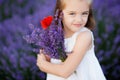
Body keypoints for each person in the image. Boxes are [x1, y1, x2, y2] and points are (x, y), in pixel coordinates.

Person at [36, 0, 106, 80]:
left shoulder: (84, 36)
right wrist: (47, 57)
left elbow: (65, 71)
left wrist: (43, 65)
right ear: (60, 14)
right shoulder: (54, 35)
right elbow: (48, 58)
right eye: (72, 13)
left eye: (84, 13)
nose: (79, 19)